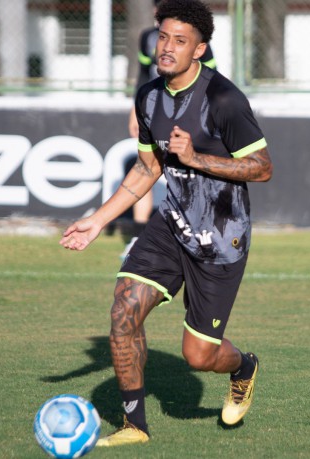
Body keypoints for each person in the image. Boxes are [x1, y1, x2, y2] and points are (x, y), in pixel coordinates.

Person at [60, 0, 272, 446]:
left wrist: (196, 158)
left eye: (180, 40)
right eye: (163, 37)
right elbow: (146, 169)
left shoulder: (224, 99)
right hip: (170, 225)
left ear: (200, 49)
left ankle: (244, 366)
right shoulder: (149, 96)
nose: (167, 48)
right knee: (123, 311)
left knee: (198, 356)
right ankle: (134, 426)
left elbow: (262, 167)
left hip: (221, 239)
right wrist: (98, 221)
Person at [120, 0, 219, 261]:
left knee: (189, 172)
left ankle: (200, 233)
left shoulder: (192, 39)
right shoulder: (147, 38)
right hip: (156, 110)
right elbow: (143, 75)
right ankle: (137, 237)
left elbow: (211, 75)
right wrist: (135, 109)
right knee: (147, 165)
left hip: (188, 112)